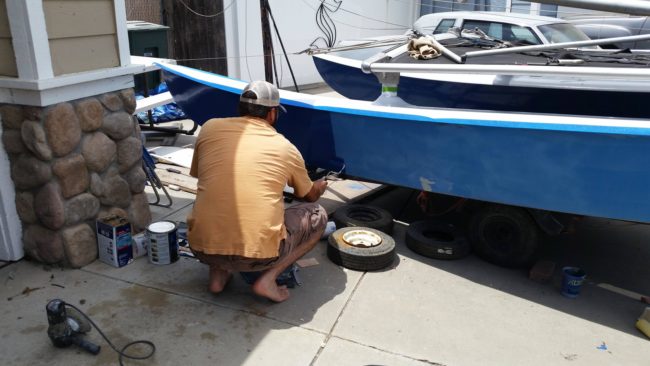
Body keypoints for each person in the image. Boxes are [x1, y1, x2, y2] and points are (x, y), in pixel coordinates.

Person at [187, 80, 328, 302]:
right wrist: (319, 186)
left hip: (201, 248)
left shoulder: (209, 128)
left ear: (240, 107)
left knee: (216, 202)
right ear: (272, 114)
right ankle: (268, 279)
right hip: (259, 257)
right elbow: (307, 196)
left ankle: (218, 275)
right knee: (318, 215)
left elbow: (201, 176)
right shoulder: (284, 146)